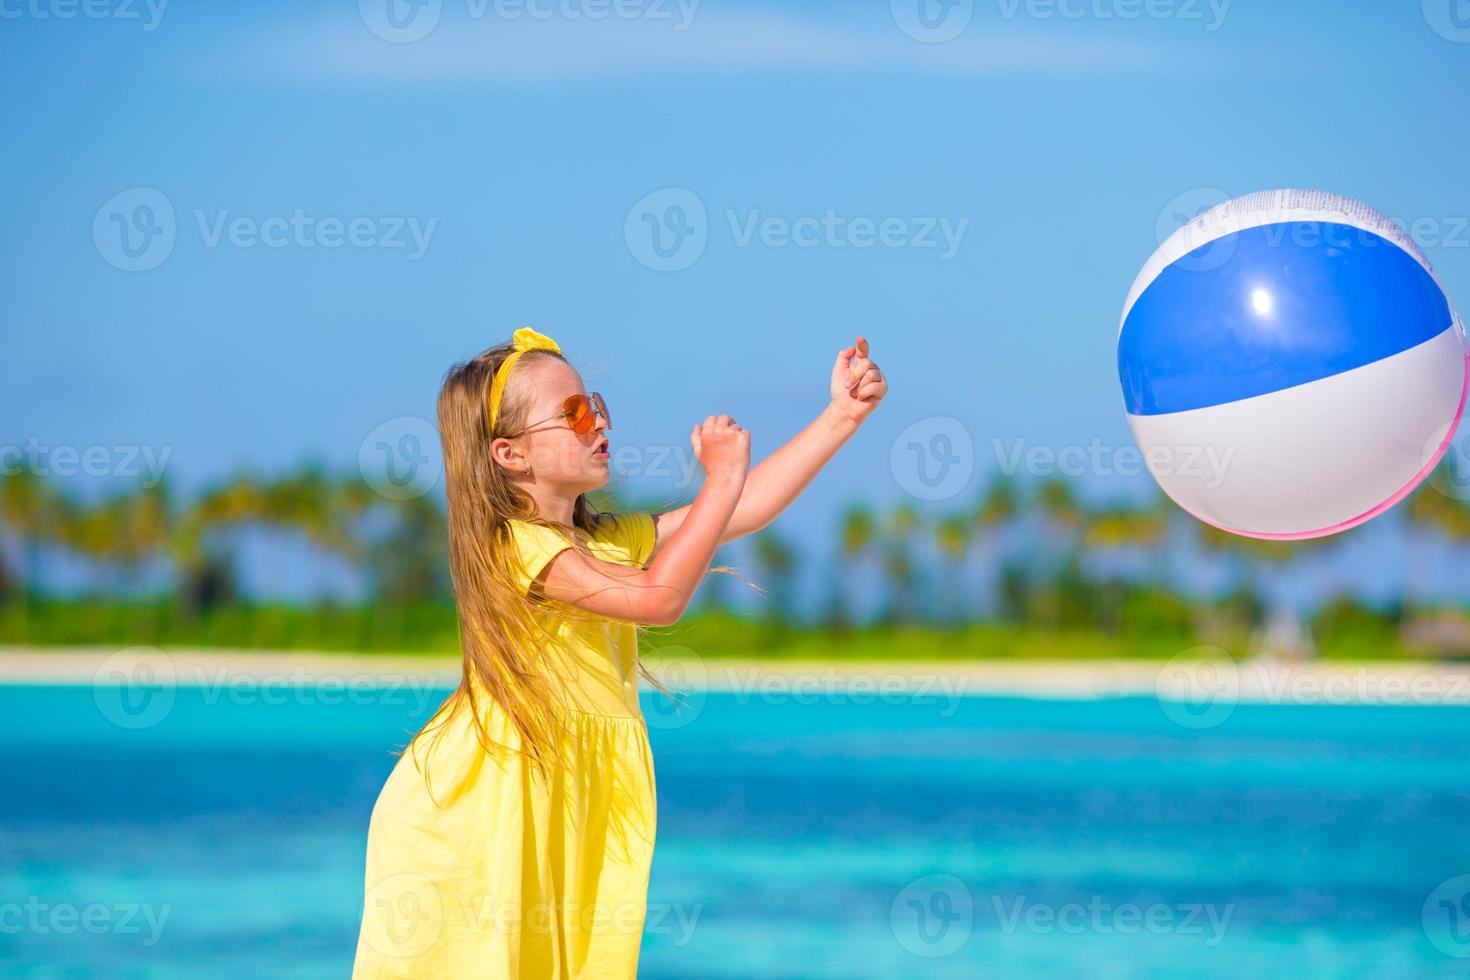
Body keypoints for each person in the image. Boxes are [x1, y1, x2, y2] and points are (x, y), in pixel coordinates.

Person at [351, 327, 886, 978]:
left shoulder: (602, 540)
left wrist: (841, 415)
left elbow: (741, 511)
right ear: (510, 455)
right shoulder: (518, 547)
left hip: (569, 791)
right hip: (491, 804)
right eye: (573, 413)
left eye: (595, 403)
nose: (597, 421)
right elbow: (658, 597)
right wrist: (719, 481)